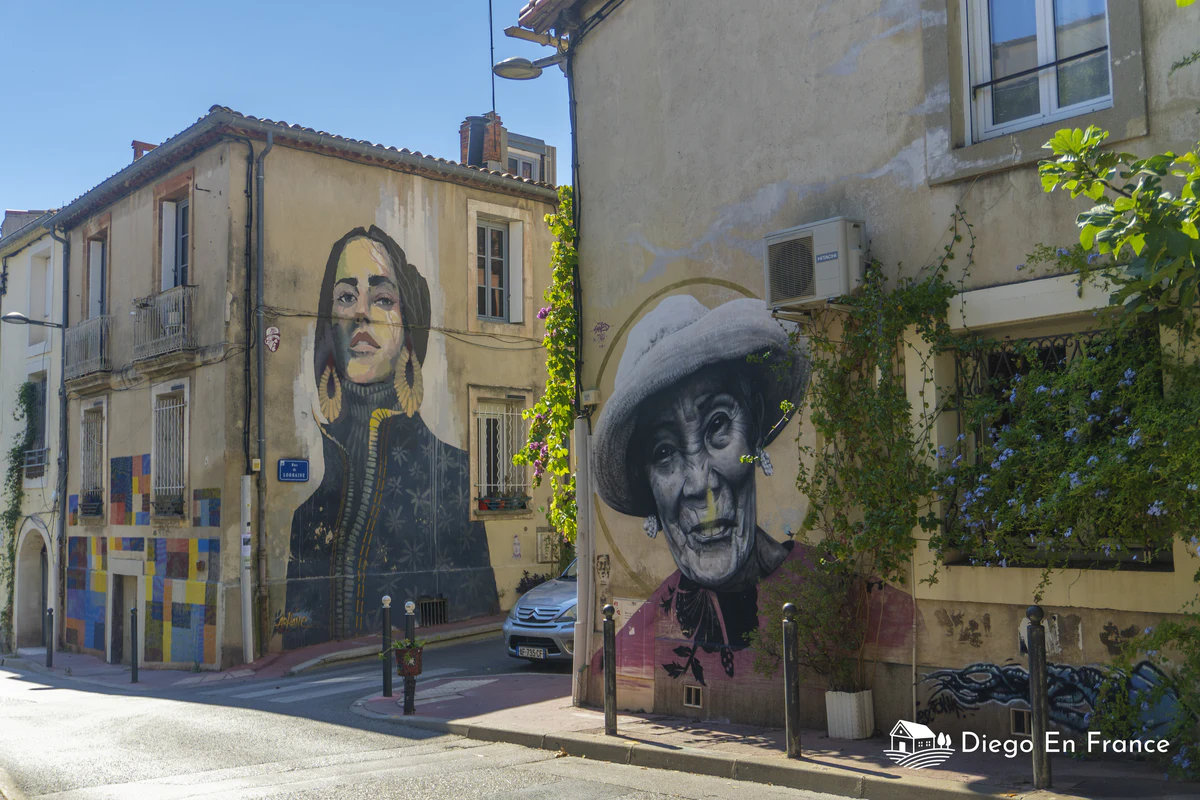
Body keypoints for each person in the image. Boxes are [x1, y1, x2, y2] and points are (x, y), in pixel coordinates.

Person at [282, 226, 496, 648]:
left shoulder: (454, 478)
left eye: (382, 298)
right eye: (346, 296)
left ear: (408, 327)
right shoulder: (305, 519)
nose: (361, 313)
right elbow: (294, 638)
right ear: (331, 326)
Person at [592, 295, 810, 680]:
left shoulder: (840, 599)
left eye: (717, 425)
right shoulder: (627, 653)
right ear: (646, 482)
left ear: (755, 423)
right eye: (664, 452)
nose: (700, 483)